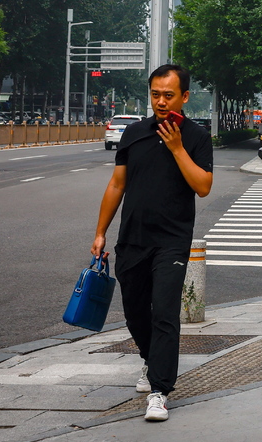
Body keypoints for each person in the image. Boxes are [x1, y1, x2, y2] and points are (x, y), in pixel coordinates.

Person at [90, 64, 213, 422]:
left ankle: (159, 391)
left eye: (168, 95)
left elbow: (203, 186)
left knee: (165, 312)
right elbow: (117, 185)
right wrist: (100, 232)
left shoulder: (196, 137)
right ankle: (150, 358)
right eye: (156, 94)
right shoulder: (134, 133)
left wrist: (177, 148)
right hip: (133, 238)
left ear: (184, 97)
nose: (161, 101)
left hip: (172, 241)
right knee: (134, 311)